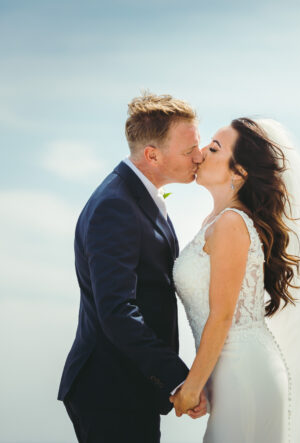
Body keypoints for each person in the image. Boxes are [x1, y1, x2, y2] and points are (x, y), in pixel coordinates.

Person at [170, 117, 300, 442]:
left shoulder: (230, 224)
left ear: (239, 173)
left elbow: (222, 316)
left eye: (213, 148)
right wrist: (209, 387)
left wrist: (193, 385)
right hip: (231, 378)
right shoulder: (215, 221)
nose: (199, 152)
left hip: (245, 373)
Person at [57, 92, 208, 442]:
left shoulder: (137, 197)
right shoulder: (116, 206)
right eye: (188, 151)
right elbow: (117, 311)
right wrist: (179, 378)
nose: (198, 157)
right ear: (152, 155)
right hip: (110, 391)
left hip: (126, 386)